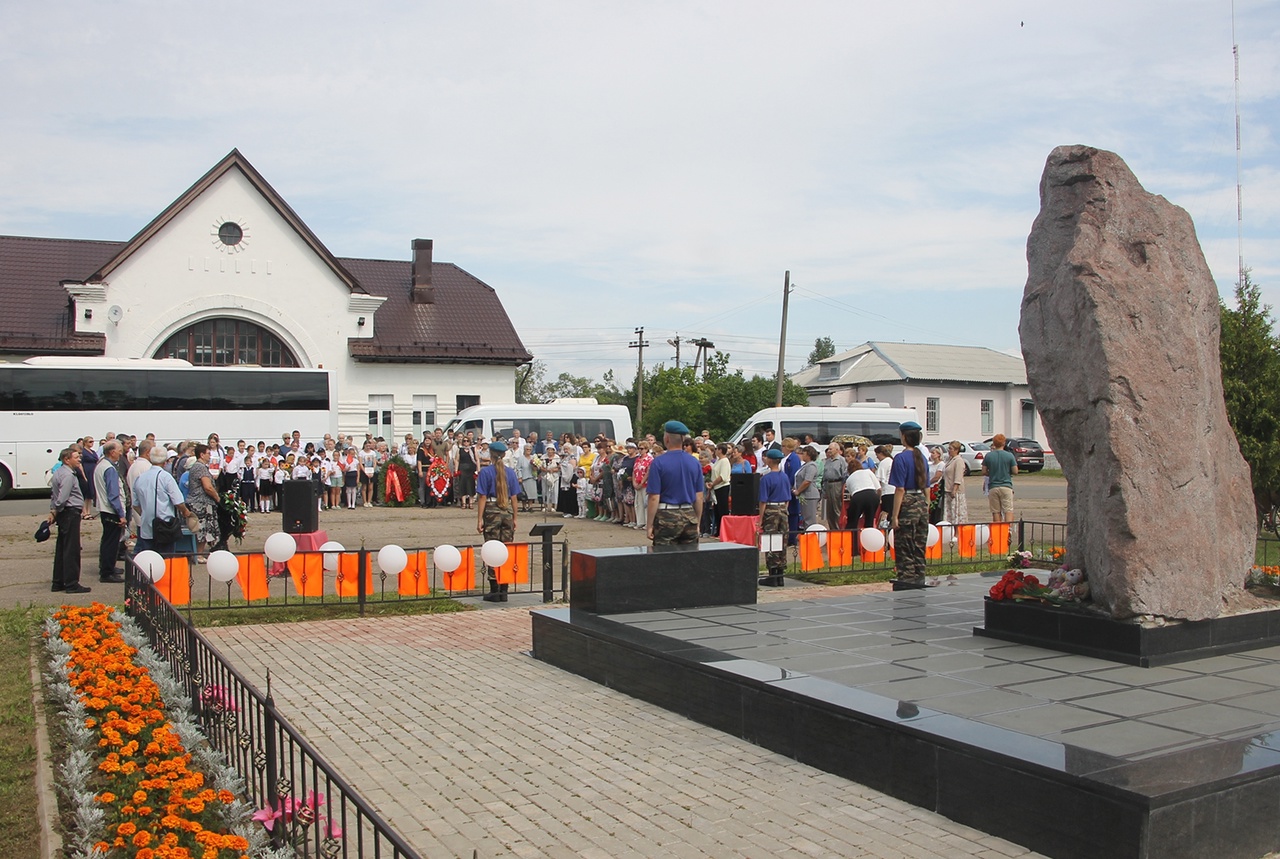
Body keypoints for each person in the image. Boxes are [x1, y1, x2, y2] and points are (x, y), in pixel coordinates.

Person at [645, 420, 704, 545]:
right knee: (690, 559)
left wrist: (649, 524)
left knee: (664, 560)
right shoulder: (694, 462)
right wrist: (697, 522)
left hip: (666, 516)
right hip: (689, 515)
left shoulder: (658, 462)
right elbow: (699, 496)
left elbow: (654, 497)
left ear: (666, 438)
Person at [476, 441, 521, 602]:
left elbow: (482, 496)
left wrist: (479, 519)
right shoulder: (510, 473)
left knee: (492, 550)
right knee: (506, 550)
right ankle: (504, 590)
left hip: (491, 510)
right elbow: (514, 497)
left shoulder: (486, 472)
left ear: (491, 454)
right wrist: (515, 517)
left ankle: (494, 590)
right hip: (507, 511)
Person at [889, 421, 930, 585]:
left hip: (907, 504)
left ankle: (907, 579)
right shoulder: (921, 457)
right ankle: (920, 577)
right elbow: (926, 485)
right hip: (921, 502)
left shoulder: (900, 458)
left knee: (904, 544)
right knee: (919, 544)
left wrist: (895, 516)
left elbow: (900, 489)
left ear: (904, 436)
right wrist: (926, 505)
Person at [133, 447, 192, 555]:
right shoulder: (166, 477)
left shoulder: (140, 478)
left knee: (149, 560)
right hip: (165, 527)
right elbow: (178, 501)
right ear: (165, 462)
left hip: (146, 526)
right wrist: (186, 512)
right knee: (166, 560)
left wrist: (145, 513)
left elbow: (135, 504)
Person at [49, 447, 91, 594]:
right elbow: (61, 498)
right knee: (71, 549)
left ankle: (58, 582)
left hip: (64, 513)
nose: (79, 459)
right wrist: (56, 509)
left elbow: (54, 496)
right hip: (69, 512)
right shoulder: (68, 475)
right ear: (67, 459)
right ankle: (71, 583)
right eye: (76, 457)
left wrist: (54, 511)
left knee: (62, 547)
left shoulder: (59, 473)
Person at [92, 440, 127, 583]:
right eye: (119, 451)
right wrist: (121, 514)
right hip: (111, 510)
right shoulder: (109, 469)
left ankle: (108, 567)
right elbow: (113, 494)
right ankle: (107, 572)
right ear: (112, 452)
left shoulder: (101, 465)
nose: (121, 453)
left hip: (105, 508)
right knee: (111, 542)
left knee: (108, 540)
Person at [757, 448, 791, 586]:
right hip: (783, 508)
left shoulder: (766, 478)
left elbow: (763, 501)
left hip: (771, 509)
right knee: (782, 540)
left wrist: (760, 519)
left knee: (771, 540)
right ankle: (780, 574)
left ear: (769, 461)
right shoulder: (785, 477)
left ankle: (772, 575)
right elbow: (788, 497)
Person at [186, 443, 221, 560]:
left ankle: (198, 553)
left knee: (203, 528)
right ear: (201, 455)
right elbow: (208, 487)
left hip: (200, 502)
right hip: (200, 503)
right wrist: (217, 498)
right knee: (202, 528)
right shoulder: (200, 467)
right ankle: (198, 554)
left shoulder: (199, 467)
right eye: (208, 453)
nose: (210, 456)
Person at [844, 452, 881, 553]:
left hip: (858, 496)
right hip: (872, 495)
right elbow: (878, 488)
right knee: (869, 523)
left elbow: (853, 495)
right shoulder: (868, 472)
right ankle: (869, 549)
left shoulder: (849, 479)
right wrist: (878, 500)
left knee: (852, 523)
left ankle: (853, 549)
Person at [983, 433, 1019, 522]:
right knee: (1008, 510)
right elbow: (1015, 471)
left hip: (993, 486)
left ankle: (998, 531)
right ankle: (1008, 530)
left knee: (996, 511)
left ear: (994, 443)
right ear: (1004, 443)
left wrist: (991, 473)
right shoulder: (1009, 455)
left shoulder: (989, 456)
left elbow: (984, 471)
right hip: (1006, 485)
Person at [793, 445, 820, 530]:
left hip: (810, 496)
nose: (802, 455)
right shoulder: (805, 465)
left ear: (808, 455)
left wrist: (798, 490)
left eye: (803, 453)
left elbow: (807, 480)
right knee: (805, 519)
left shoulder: (811, 466)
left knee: (810, 520)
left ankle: (812, 538)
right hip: (804, 496)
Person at [822, 442, 848, 531]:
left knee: (837, 508)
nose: (829, 451)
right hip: (828, 484)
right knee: (829, 510)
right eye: (828, 449)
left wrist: (842, 488)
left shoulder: (842, 460)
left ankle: (840, 528)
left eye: (830, 449)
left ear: (837, 450)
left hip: (837, 484)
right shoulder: (827, 461)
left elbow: (845, 474)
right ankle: (832, 529)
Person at [943, 440, 968, 528]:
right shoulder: (950, 460)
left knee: (956, 513)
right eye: (948, 448)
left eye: (951, 448)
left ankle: (957, 533)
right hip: (947, 489)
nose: (949, 450)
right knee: (949, 513)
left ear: (956, 450)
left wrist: (954, 489)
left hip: (955, 491)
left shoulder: (959, 460)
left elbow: (958, 476)